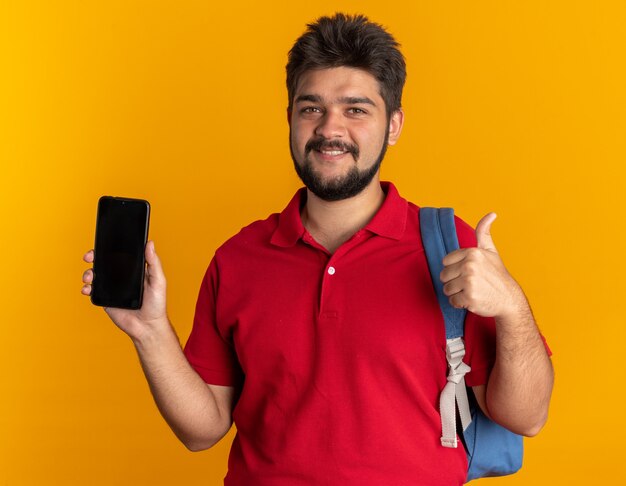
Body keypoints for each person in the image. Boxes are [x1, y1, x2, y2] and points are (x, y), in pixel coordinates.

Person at [81, 13, 553, 485]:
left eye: (356, 110)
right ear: (290, 118)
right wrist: (149, 331)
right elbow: (202, 431)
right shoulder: (238, 258)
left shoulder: (452, 245)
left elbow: (526, 418)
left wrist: (512, 307)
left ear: (393, 125)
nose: (330, 129)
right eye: (311, 108)